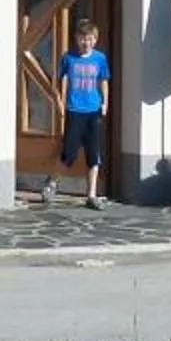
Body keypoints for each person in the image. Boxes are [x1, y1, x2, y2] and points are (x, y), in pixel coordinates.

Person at [57, 16, 110, 208]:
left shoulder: (100, 58)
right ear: (76, 39)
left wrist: (105, 103)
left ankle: (91, 195)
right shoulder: (68, 58)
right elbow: (62, 80)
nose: (86, 42)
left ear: (95, 40)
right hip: (74, 109)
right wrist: (61, 102)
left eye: (90, 39)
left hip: (93, 110)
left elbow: (104, 80)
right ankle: (52, 180)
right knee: (69, 152)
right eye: (82, 38)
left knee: (93, 153)